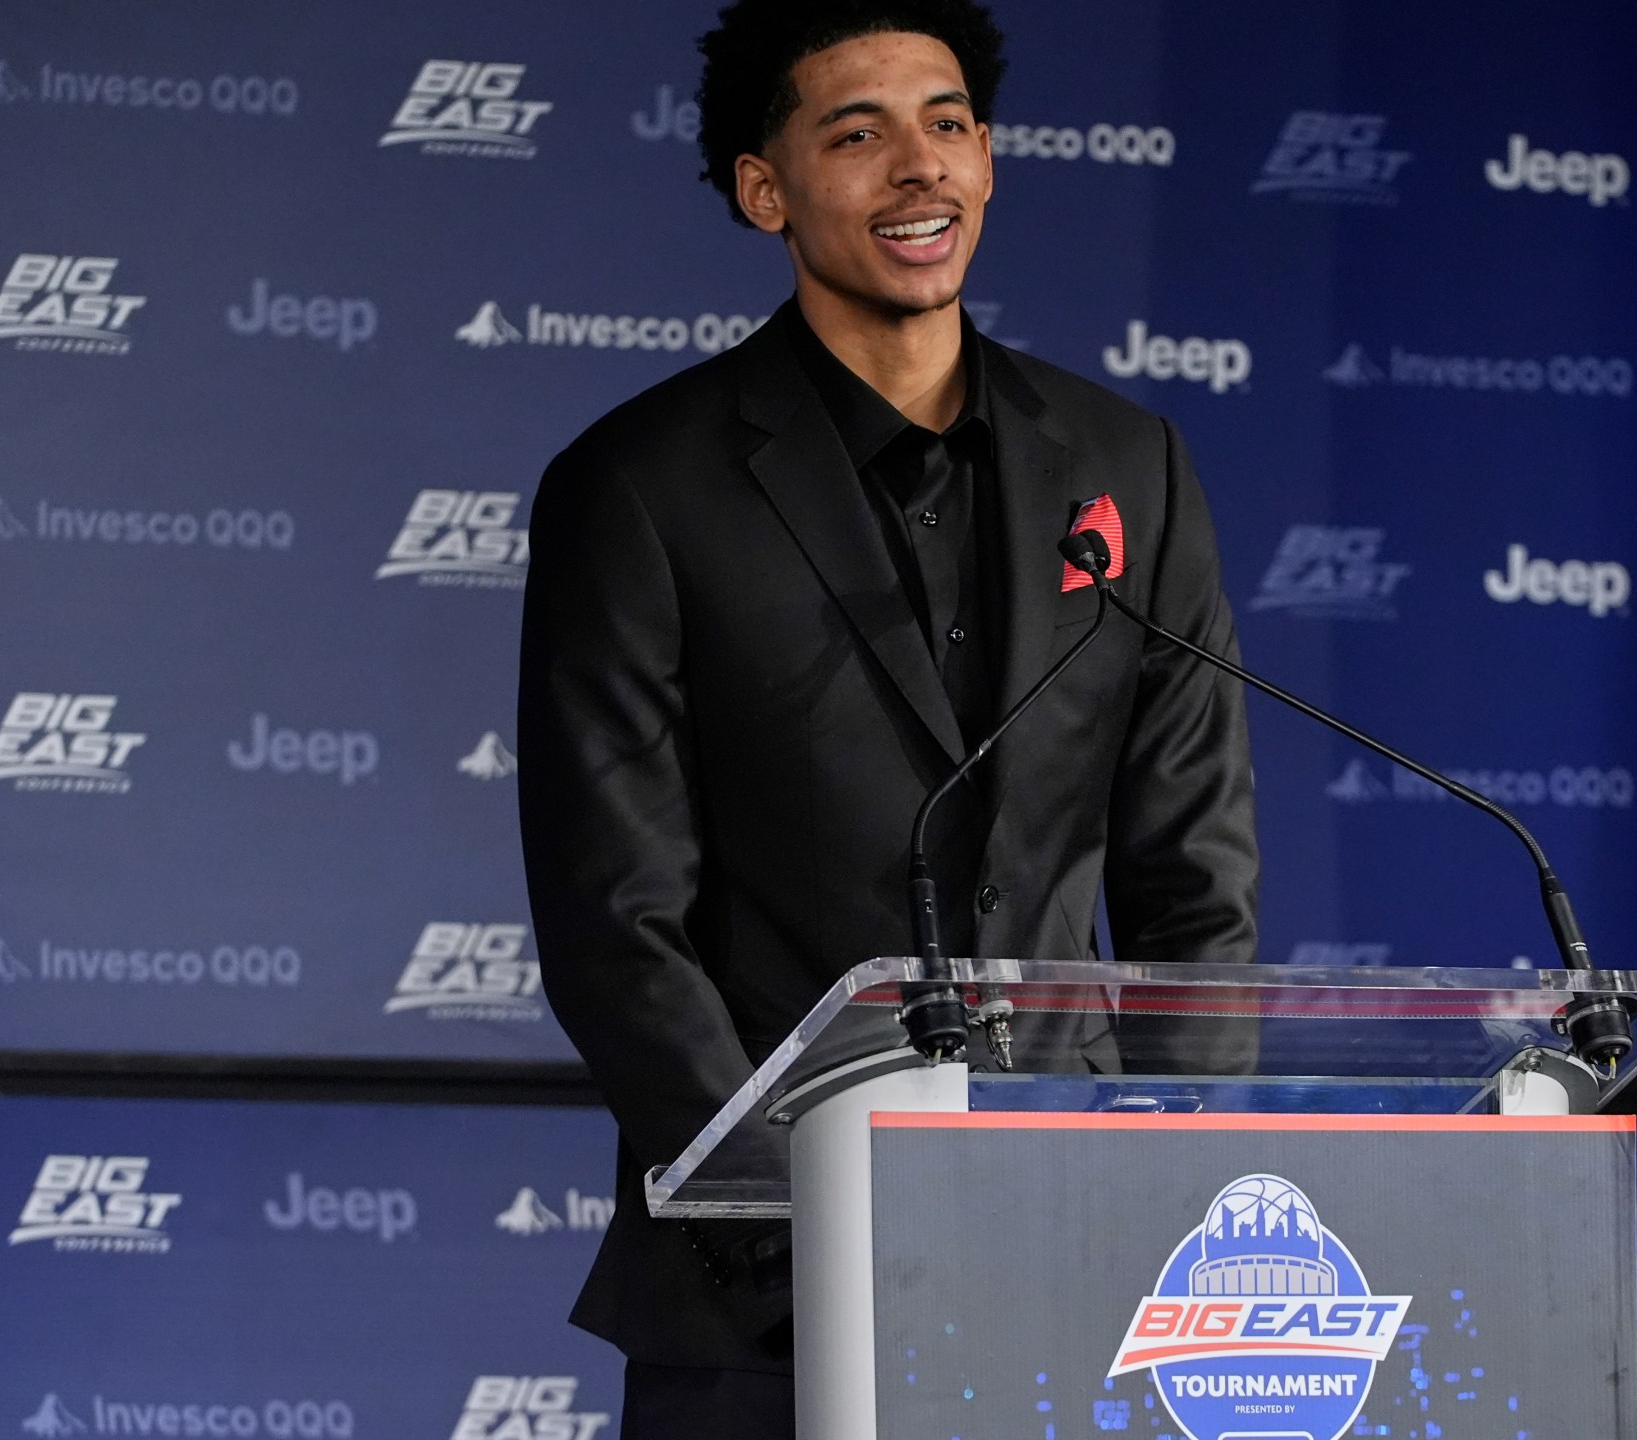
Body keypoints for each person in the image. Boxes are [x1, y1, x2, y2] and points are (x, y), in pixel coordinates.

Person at [515, 1, 1259, 1433]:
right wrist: (783, 1222)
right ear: (765, 189)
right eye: (857, 135)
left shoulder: (1130, 466)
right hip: (771, 1299)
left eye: (948, 124)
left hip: (1087, 1259)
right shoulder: (642, 488)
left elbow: (1195, 885)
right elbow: (619, 921)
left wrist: (1182, 1189)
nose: (920, 168)